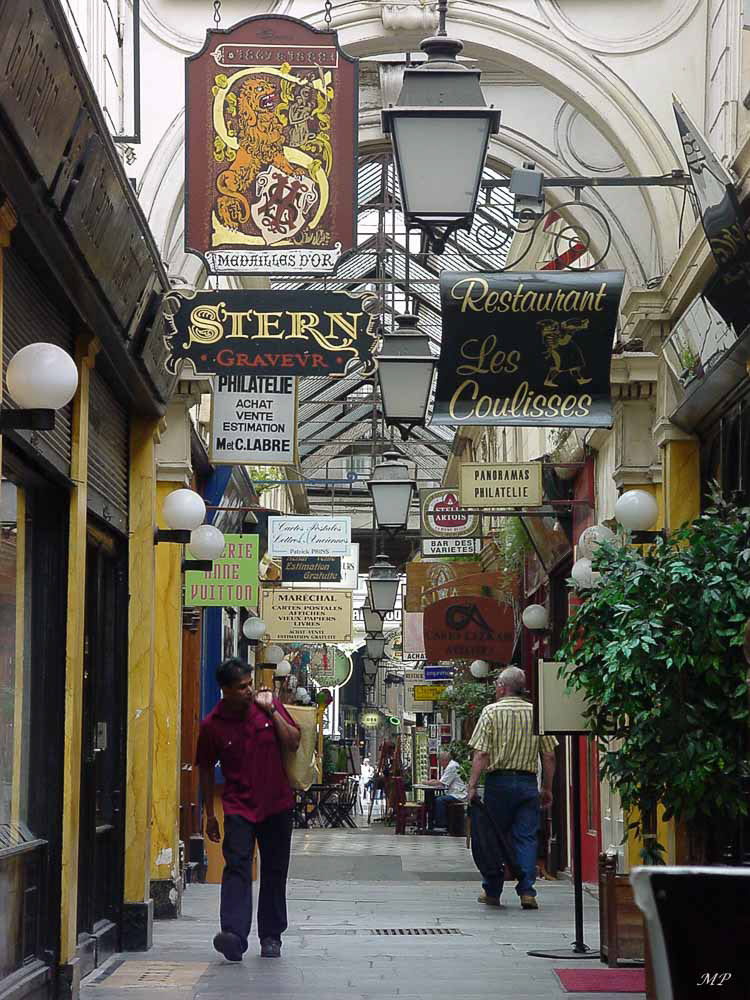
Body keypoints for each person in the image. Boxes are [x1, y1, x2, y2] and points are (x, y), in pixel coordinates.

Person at [196, 657, 300, 961]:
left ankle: (271, 936)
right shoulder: (212, 725)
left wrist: (272, 711)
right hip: (239, 806)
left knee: (274, 870)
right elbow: (204, 768)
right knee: (237, 866)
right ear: (225, 690)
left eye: (249, 684)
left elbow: (293, 742)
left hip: (277, 804)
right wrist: (209, 814)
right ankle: (233, 934)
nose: (248, 690)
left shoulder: (267, 706)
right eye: (241, 687)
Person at [467, 665, 558, 910]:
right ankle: (527, 891)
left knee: (494, 836)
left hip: (499, 783)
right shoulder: (537, 712)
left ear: (502, 687)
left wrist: (473, 785)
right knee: (526, 837)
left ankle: (493, 891)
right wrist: (547, 787)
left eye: (497, 684)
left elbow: (482, 753)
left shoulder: (491, 712)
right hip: (528, 783)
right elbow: (548, 755)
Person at [428, 749, 468, 831]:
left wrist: (427, 782)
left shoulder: (451, 767)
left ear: (444, 760)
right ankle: (434, 823)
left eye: (440, 761)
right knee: (435, 799)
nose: (440, 764)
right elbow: (442, 781)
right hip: (456, 793)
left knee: (439, 800)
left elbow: (440, 783)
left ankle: (441, 825)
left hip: (459, 794)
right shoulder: (453, 765)